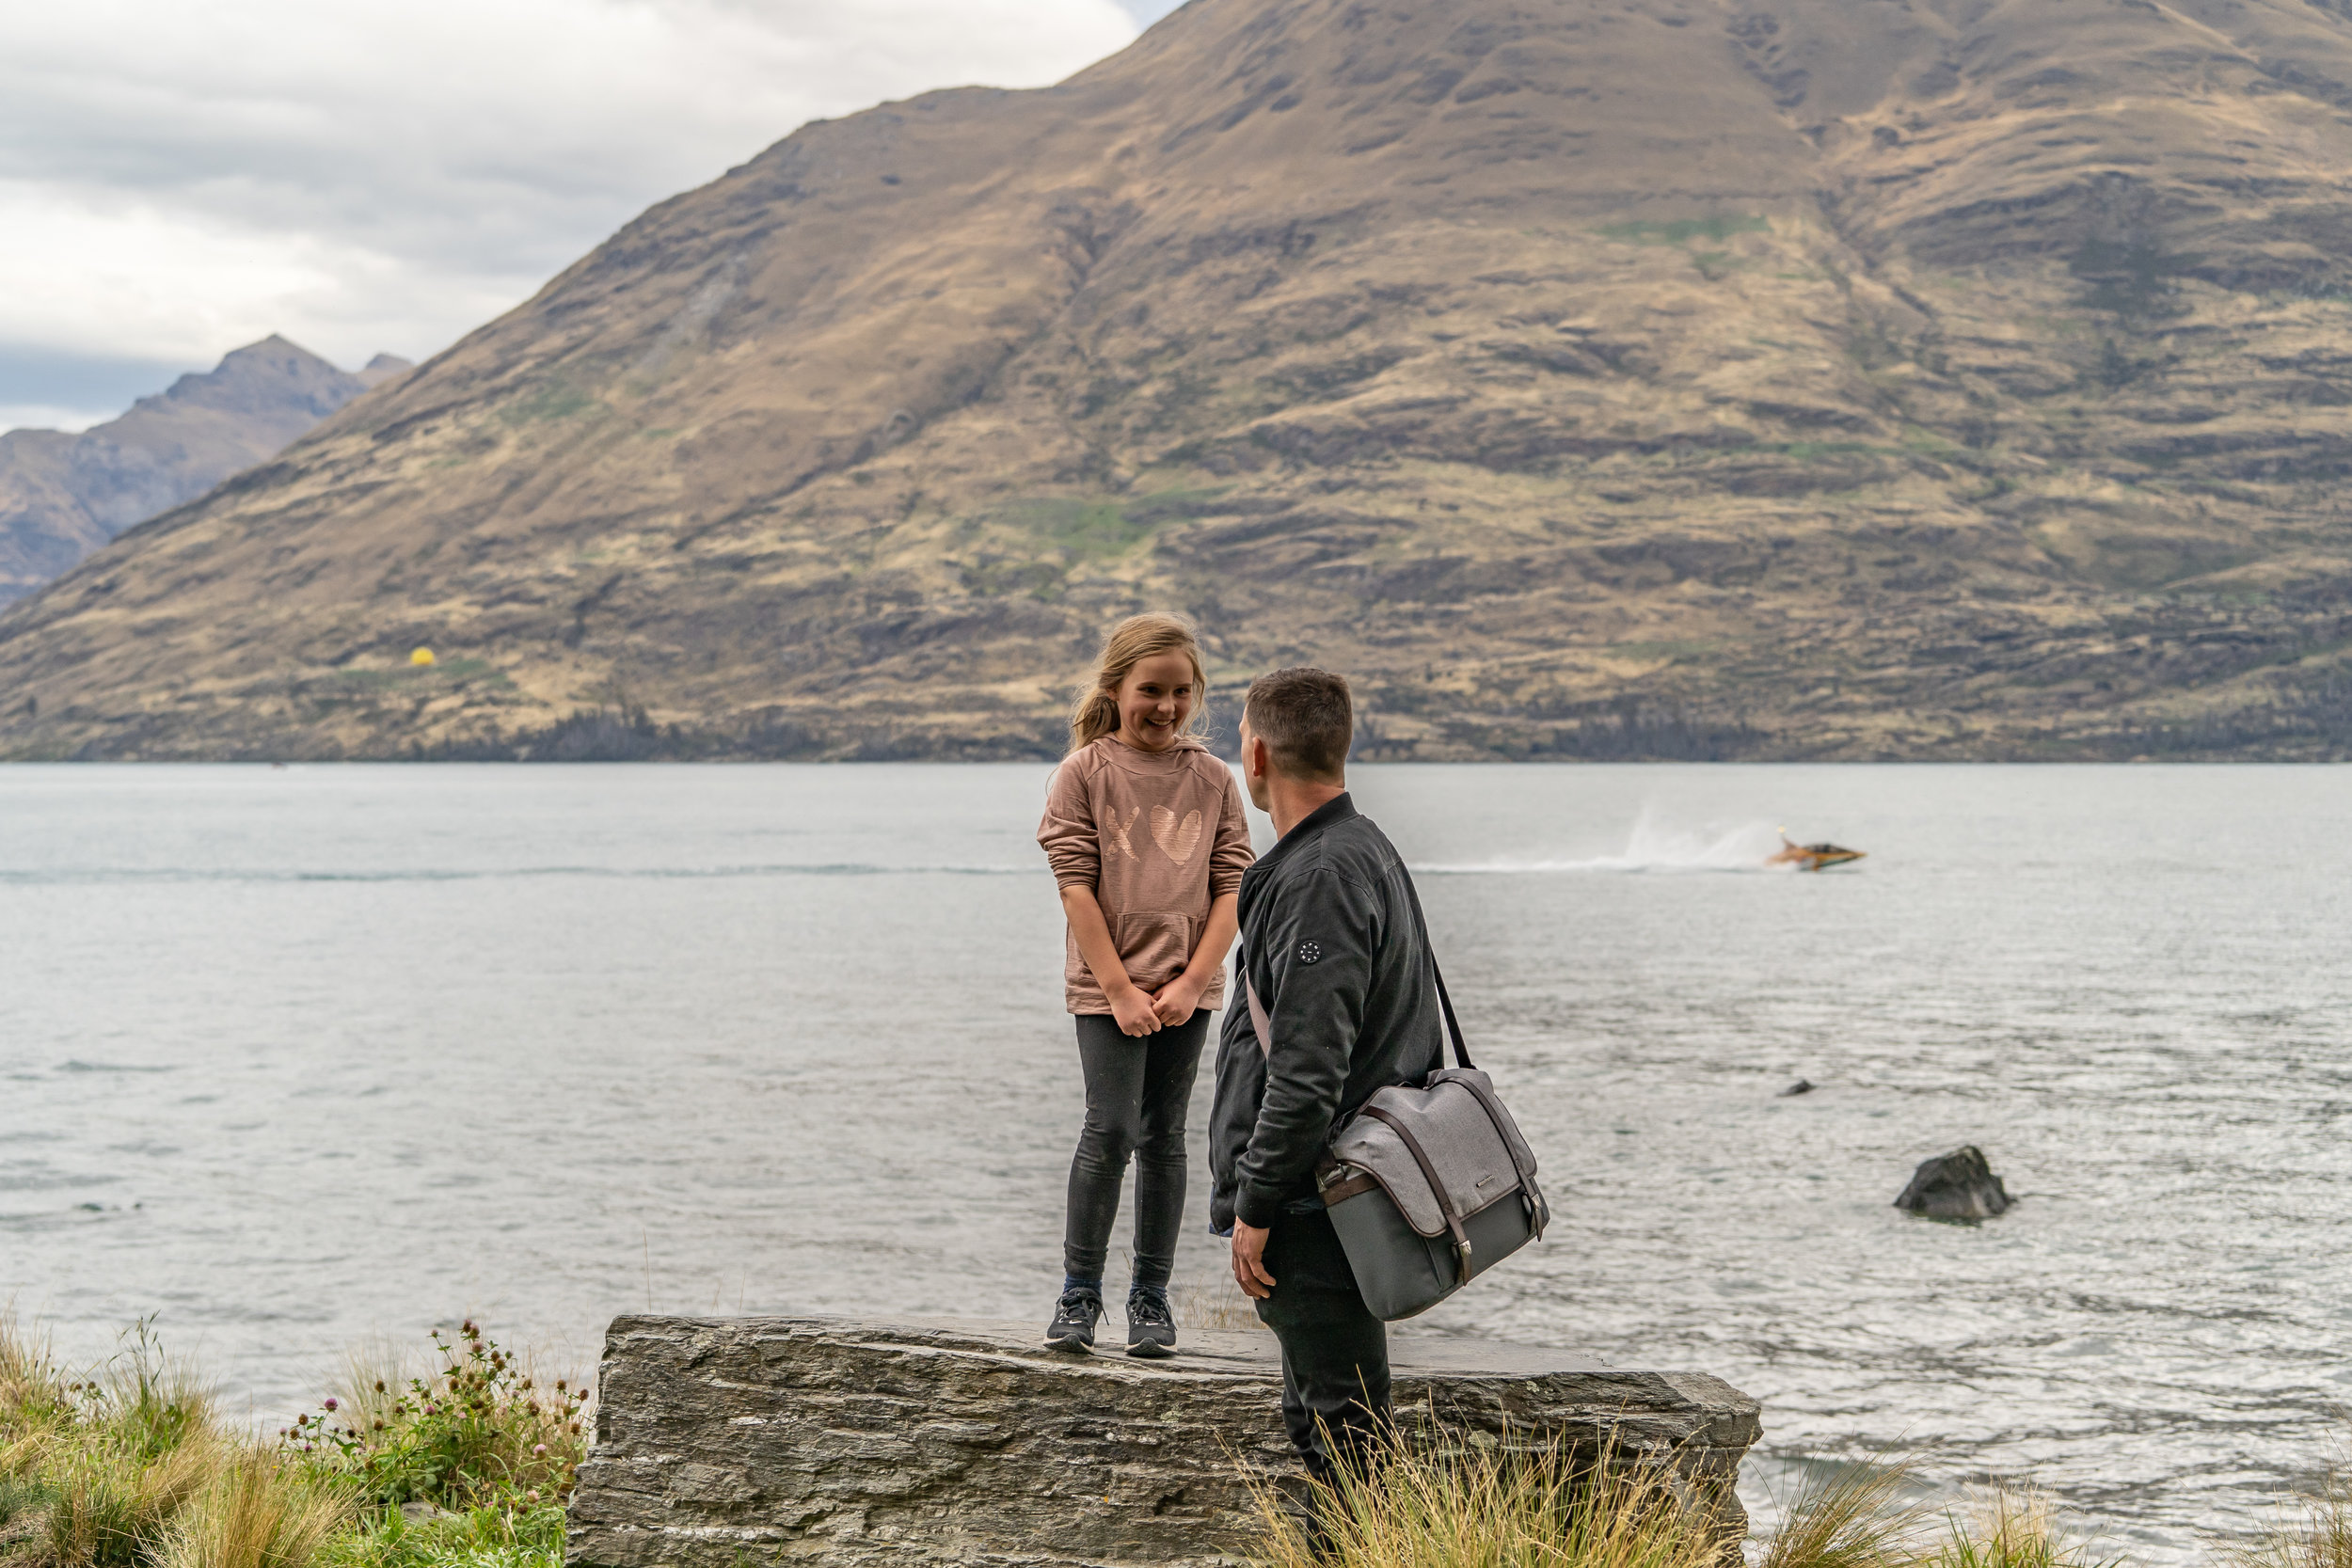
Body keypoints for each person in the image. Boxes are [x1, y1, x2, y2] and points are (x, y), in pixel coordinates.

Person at [1208, 666, 1443, 1487]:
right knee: (1330, 1426)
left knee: (1343, 1446)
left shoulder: (1319, 877)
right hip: (1341, 1193)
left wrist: (1257, 1201)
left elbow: (1307, 1073)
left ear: (1258, 754)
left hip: (1319, 1204)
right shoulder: (1358, 847)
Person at [1037, 612, 1253, 1356]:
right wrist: (1121, 991)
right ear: (1116, 688)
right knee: (1110, 1130)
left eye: (1181, 692)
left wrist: (1194, 981)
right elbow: (1075, 889)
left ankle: (1151, 1301)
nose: (1165, 706)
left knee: (1165, 1138)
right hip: (1107, 989)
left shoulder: (1214, 779)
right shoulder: (1083, 774)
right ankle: (1079, 1294)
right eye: (1150, 690)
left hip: (1187, 992)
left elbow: (1232, 889)